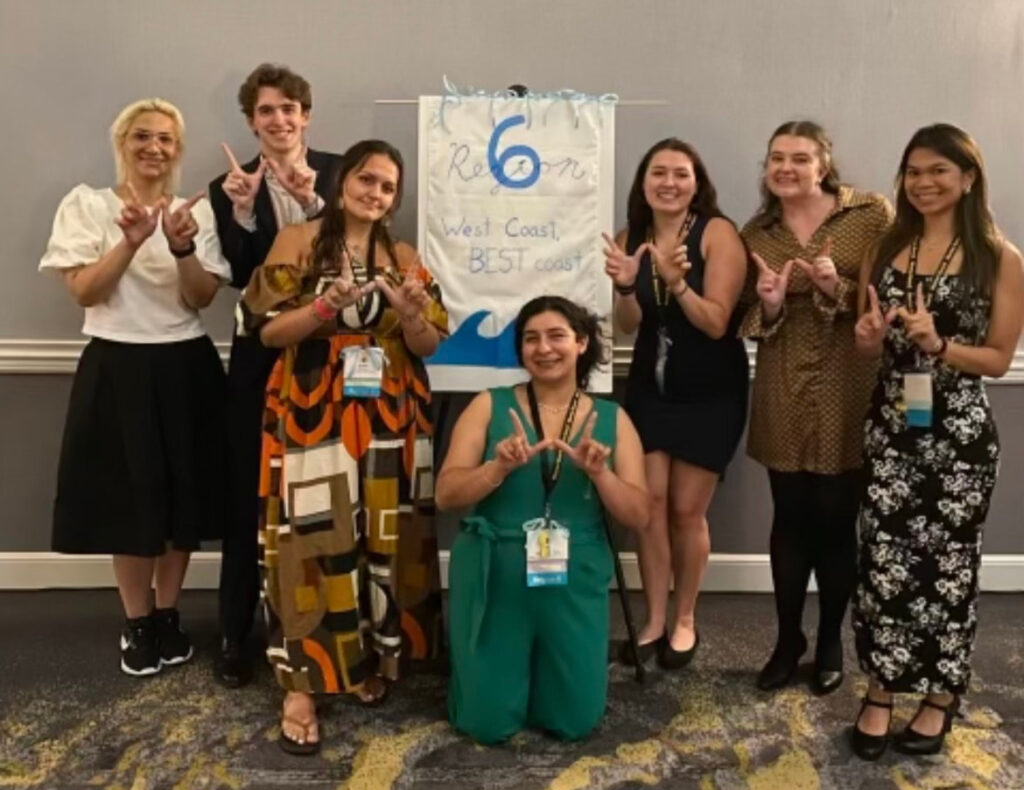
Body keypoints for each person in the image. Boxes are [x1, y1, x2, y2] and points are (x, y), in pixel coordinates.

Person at [239, 139, 448, 754]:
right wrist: (325, 306)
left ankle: (364, 660)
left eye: (387, 186)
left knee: (383, 534)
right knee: (310, 541)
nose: (375, 193)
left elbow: (430, 342)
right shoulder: (298, 242)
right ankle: (302, 684)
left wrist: (411, 316)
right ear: (341, 181)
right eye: (366, 178)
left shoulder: (403, 255)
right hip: (311, 410)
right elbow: (268, 331)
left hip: (391, 411)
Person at [39, 98, 230, 676]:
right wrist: (130, 240)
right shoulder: (88, 205)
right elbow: (83, 292)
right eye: (142, 136)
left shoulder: (195, 213)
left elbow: (200, 297)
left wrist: (178, 244)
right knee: (131, 503)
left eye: (166, 139)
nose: (154, 147)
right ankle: (137, 622)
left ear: (178, 149)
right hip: (117, 366)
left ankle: (169, 616)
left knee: (181, 500)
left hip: (185, 365)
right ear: (122, 143)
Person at [850, 124, 1023, 760]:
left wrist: (940, 345)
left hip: (961, 436)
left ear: (968, 178)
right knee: (884, 563)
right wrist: (870, 337)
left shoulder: (1000, 258)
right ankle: (880, 688)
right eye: (913, 171)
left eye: (938, 172)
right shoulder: (887, 246)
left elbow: (1001, 358)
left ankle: (942, 694)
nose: (923, 183)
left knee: (948, 568)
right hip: (893, 426)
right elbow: (866, 345)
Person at [437, 296, 649, 744]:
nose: (543, 348)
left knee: (575, 722)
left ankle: (540, 677)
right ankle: (501, 678)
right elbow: (446, 495)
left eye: (556, 336)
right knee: (485, 725)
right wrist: (496, 468)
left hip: (573, 576)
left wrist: (600, 474)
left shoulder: (614, 418)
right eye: (531, 338)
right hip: (495, 575)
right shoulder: (487, 407)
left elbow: (639, 515)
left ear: (581, 343)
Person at [740, 121, 892, 695]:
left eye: (799, 158)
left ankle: (829, 639)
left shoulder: (870, 215)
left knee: (835, 517)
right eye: (776, 157)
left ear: (823, 164)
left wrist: (837, 289)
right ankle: (787, 640)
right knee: (790, 516)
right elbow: (748, 318)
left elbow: (890, 297)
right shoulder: (756, 231)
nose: (786, 167)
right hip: (783, 380)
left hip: (850, 378)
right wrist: (774, 305)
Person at [208, 63, 344, 687]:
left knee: (322, 492)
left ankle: (326, 625)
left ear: (306, 115)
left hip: (328, 351)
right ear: (251, 121)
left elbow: (354, 250)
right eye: (266, 111)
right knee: (246, 489)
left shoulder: (342, 173)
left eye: (290, 108)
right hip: (258, 355)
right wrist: (240, 216)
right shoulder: (226, 187)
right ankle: (236, 631)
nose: (279, 119)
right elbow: (241, 277)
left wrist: (315, 202)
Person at [603, 138, 748, 669]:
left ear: (697, 182)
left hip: (710, 388)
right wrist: (624, 289)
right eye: (658, 173)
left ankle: (685, 619)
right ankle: (655, 620)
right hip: (650, 389)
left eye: (680, 173)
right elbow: (628, 325)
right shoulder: (630, 238)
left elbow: (716, 323)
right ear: (643, 183)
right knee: (649, 510)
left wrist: (678, 284)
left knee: (687, 511)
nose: (669, 182)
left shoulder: (718, 233)